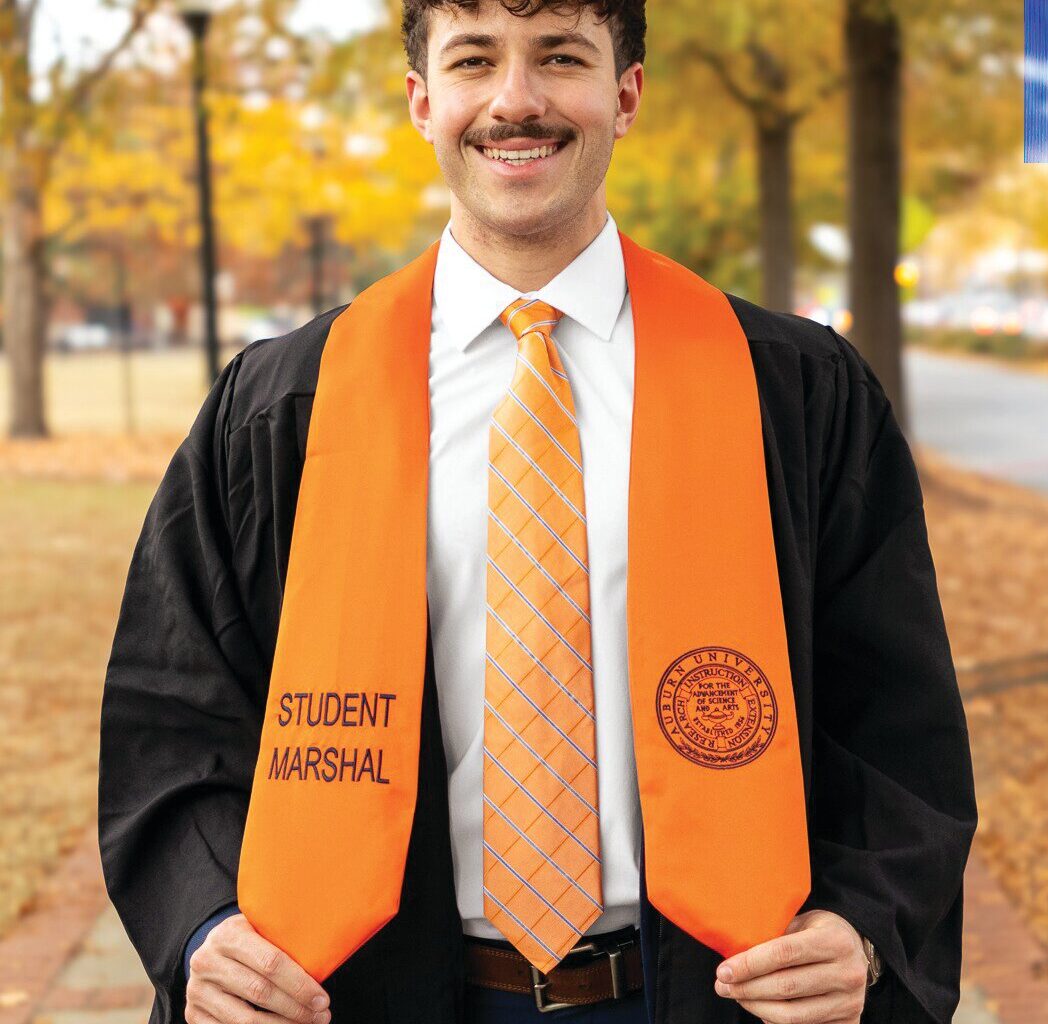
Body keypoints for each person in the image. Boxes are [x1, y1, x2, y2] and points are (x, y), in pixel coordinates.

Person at [97, 2, 977, 1024]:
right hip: (371, 995)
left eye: (561, 57)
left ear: (626, 94)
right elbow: (174, 710)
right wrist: (207, 927)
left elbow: (897, 720)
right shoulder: (285, 406)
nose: (515, 100)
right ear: (424, 101)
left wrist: (863, 924)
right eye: (475, 61)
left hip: (706, 994)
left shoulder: (791, 391)